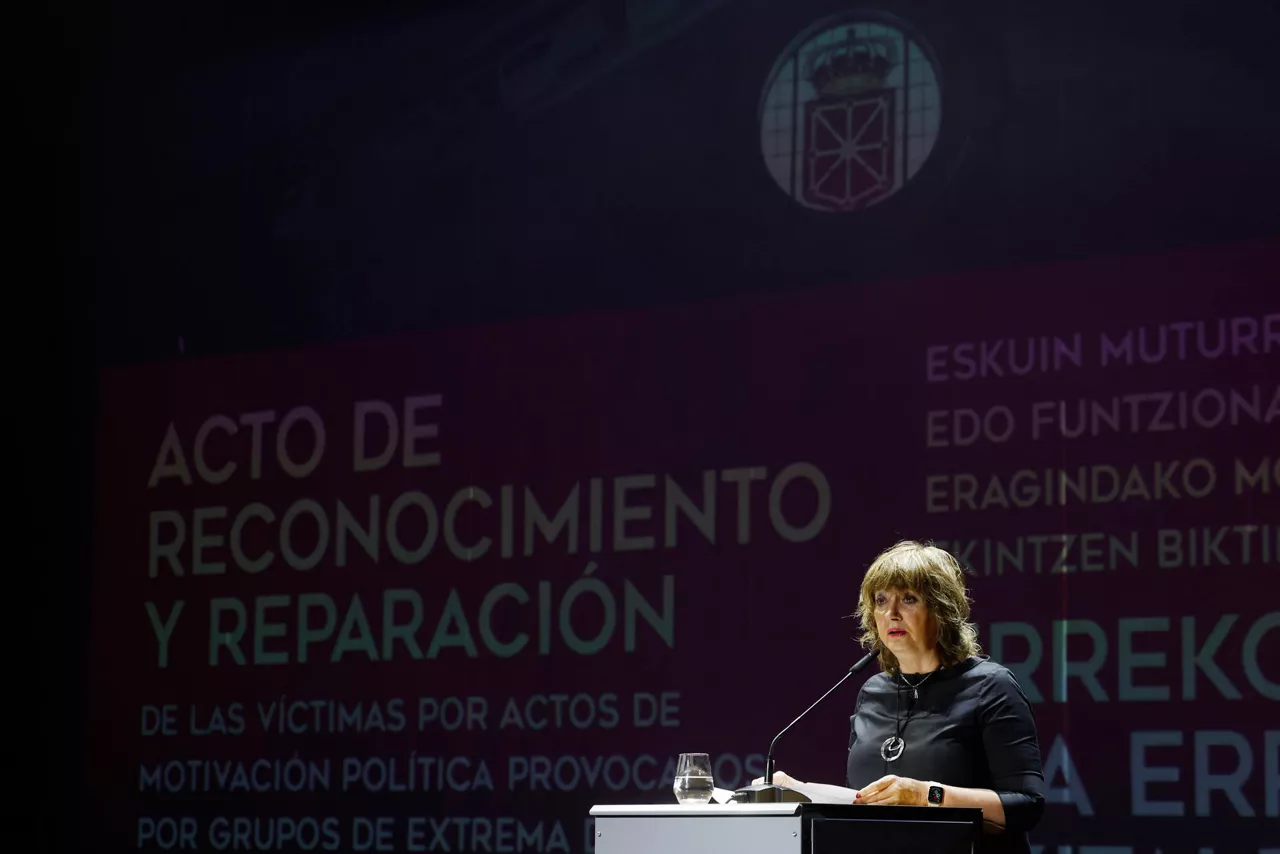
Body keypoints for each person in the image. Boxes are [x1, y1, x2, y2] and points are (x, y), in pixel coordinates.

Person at [756, 540, 1045, 854]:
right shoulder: (873, 693)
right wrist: (799, 793)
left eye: (909, 599)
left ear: (942, 609)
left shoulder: (991, 686)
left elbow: (1026, 806)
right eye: (881, 600)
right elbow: (865, 805)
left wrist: (926, 795)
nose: (891, 613)